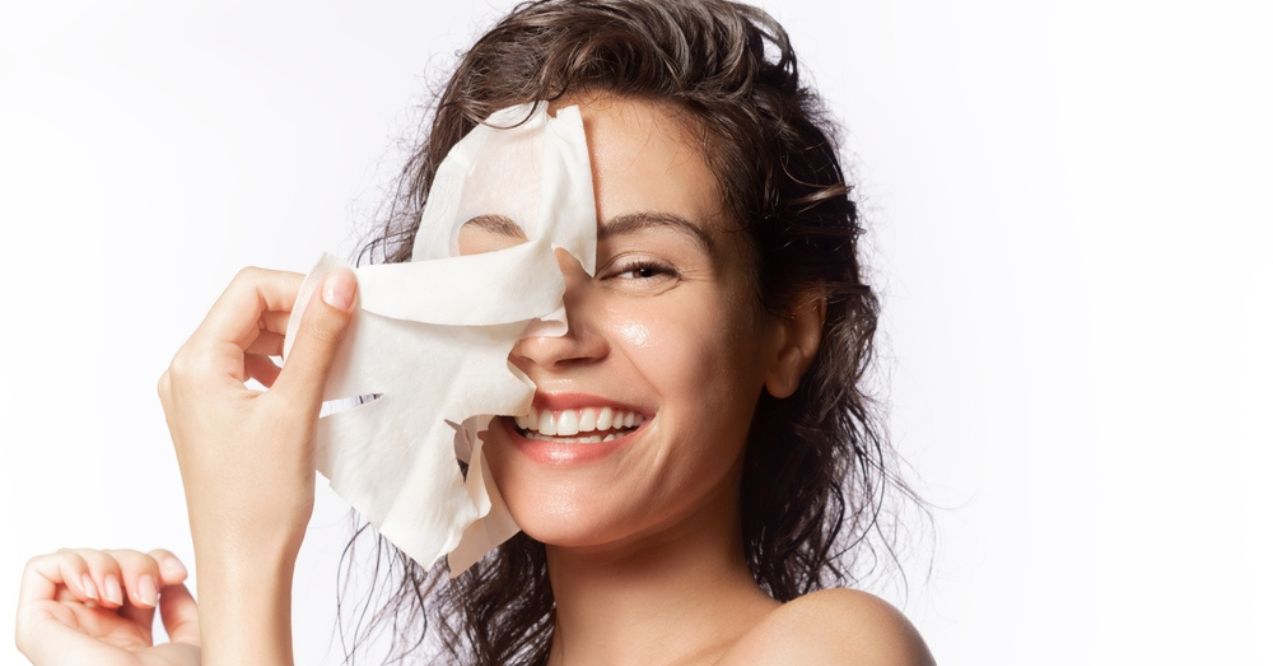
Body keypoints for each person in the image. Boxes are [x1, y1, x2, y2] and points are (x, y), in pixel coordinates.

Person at [15, 1, 934, 664]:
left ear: (788, 334)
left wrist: (244, 557)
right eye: (495, 274)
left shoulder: (833, 649)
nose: (548, 336)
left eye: (638, 270)